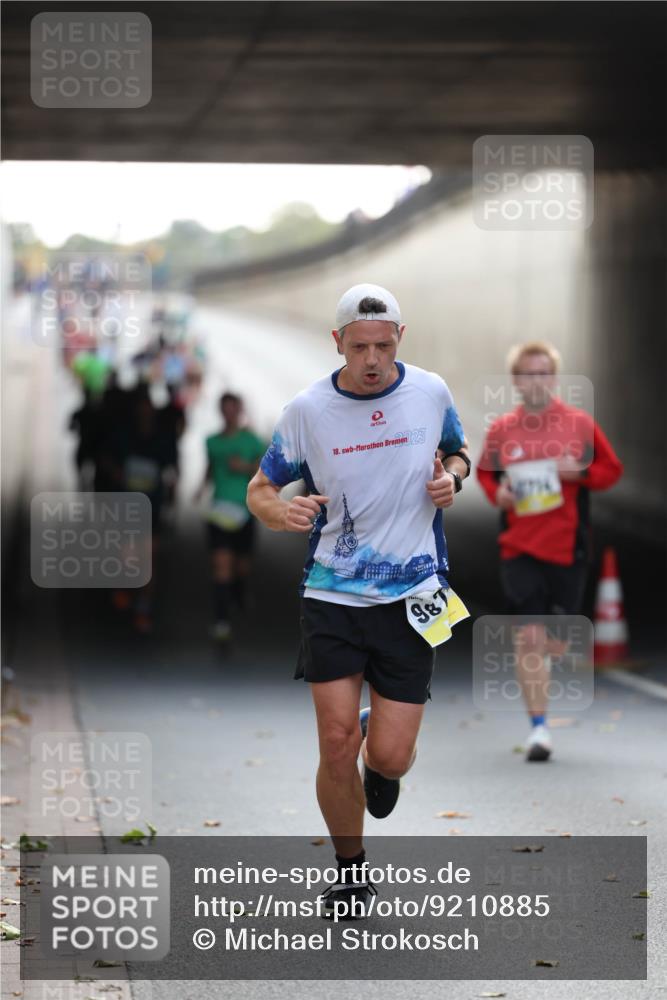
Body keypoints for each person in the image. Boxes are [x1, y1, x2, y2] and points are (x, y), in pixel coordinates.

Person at [247, 283, 471, 919]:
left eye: (383, 345)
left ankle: (382, 747)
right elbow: (260, 489)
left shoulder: (429, 392)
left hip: (413, 596)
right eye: (358, 347)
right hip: (332, 595)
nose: (372, 360)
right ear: (337, 343)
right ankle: (350, 873)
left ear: (400, 337)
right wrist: (280, 512)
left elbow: (459, 452)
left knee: (390, 759)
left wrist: (452, 480)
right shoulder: (308, 410)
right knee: (335, 741)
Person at [477, 341, 623, 761]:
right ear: (516, 381)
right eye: (528, 374)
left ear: (554, 379)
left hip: (567, 547)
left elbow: (611, 471)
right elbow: (485, 474)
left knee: (554, 643)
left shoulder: (578, 424)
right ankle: (539, 729)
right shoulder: (503, 429)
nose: (536, 381)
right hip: (518, 546)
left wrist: (579, 471)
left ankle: (545, 674)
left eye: (543, 373)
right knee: (529, 638)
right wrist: (499, 494)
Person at [197, 393, 265, 642]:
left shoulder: (253, 441)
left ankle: (239, 591)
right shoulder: (212, 442)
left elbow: (265, 472)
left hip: (245, 512)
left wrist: (244, 468)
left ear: (239, 410)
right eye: (225, 409)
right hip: (219, 512)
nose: (229, 414)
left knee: (241, 567)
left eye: (233, 409)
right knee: (221, 567)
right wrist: (201, 487)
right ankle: (221, 621)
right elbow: (210, 467)